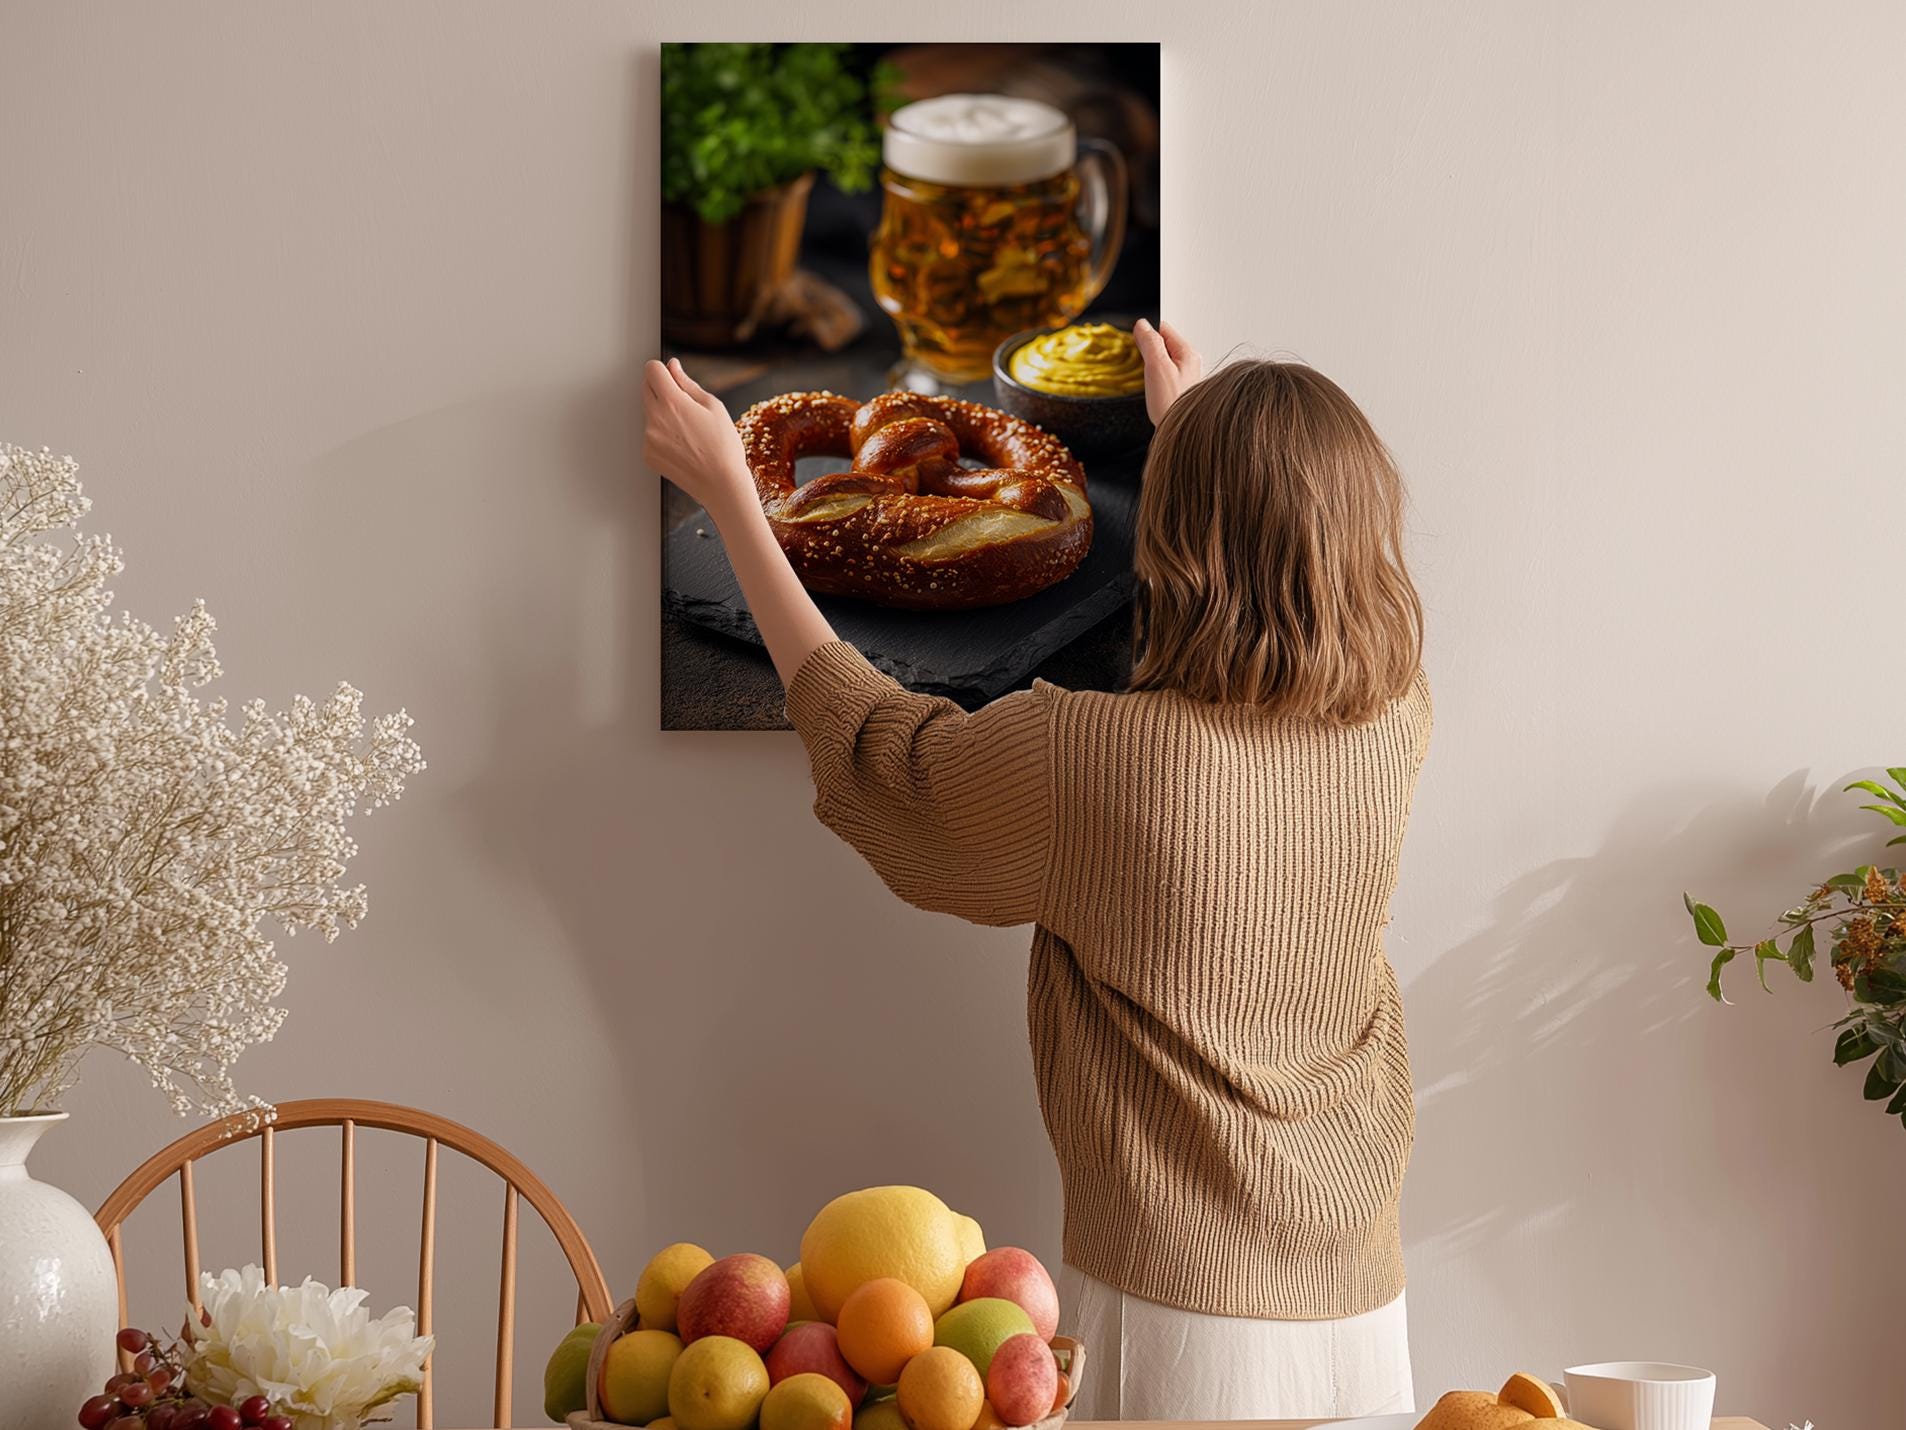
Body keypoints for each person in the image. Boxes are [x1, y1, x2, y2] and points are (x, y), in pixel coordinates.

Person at [642, 320, 1430, 1420]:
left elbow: (881, 750)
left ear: (1176, 536)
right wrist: (1196, 444)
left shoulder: (1093, 759)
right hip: (1362, 1299)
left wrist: (734, 494)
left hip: (1178, 1315)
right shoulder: (1396, 720)